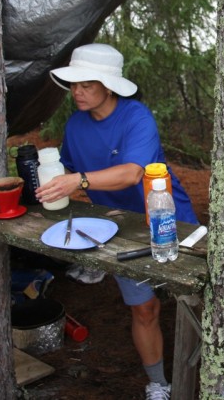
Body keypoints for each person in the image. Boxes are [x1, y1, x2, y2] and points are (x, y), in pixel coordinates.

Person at [36, 43, 198, 400]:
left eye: (86, 84)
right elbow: (67, 164)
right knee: (144, 308)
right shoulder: (76, 124)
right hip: (117, 229)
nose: (76, 92)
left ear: (108, 85)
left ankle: (215, 369)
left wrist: (77, 181)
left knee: (195, 300)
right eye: (73, 85)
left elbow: (131, 172)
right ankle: (157, 382)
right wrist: (49, 175)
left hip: (168, 219)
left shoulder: (136, 117)